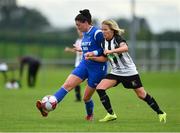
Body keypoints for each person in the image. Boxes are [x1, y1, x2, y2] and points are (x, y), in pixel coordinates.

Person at [86, 19, 166, 123]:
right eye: (102, 29)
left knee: (141, 95)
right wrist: (92, 56)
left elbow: (125, 48)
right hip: (115, 72)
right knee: (100, 88)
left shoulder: (118, 39)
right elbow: (105, 58)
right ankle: (111, 114)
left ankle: (160, 112)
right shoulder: (103, 42)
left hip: (129, 72)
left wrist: (112, 51)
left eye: (105, 29)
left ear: (112, 30)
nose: (103, 32)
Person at [36, 9, 107, 120]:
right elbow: (88, 49)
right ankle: (46, 107)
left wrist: (93, 53)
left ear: (86, 22)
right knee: (67, 86)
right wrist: (81, 49)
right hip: (84, 65)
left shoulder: (97, 33)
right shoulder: (85, 34)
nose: (77, 27)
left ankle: (90, 115)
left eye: (78, 25)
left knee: (86, 98)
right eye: (76, 25)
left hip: (97, 69)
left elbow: (104, 51)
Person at [64, 29, 83, 101]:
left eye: (81, 31)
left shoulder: (87, 40)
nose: (80, 32)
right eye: (79, 31)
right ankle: (78, 97)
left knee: (91, 82)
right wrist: (69, 50)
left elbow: (84, 51)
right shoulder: (78, 41)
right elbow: (76, 51)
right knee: (75, 81)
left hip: (86, 64)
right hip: (77, 64)